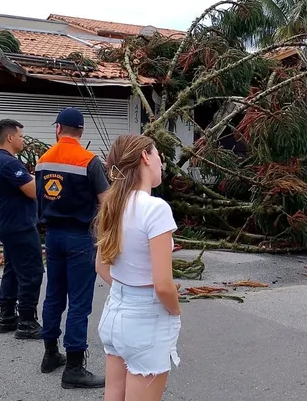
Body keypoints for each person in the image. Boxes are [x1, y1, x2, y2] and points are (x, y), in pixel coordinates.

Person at [94, 134, 182, 401]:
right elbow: (163, 285)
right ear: (145, 157)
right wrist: (175, 310)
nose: (161, 163)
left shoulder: (113, 204)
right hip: (146, 319)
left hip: (114, 314)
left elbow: (100, 266)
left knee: (114, 395)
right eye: (158, 156)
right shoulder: (156, 209)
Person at [36, 107, 108, 389]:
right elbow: (106, 201)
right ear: (80, 131)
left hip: (52, 236)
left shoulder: (43, 160)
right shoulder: (89, 161)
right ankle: (75, 367)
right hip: (80, 237)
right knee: (79, 302)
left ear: (58, 129)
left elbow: (39, 198)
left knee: (54, 295)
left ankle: (50, 354)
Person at [0, 119, 44, 340]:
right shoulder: (8, 163)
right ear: (10, 137)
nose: (23, 139)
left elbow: (26, 182)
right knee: (32, 273)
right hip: (19, 227)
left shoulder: (1, 161)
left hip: (10, 225)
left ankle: (7, 317)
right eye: (20, 135)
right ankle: (27, 322)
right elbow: (33, 191)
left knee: (12, 271)